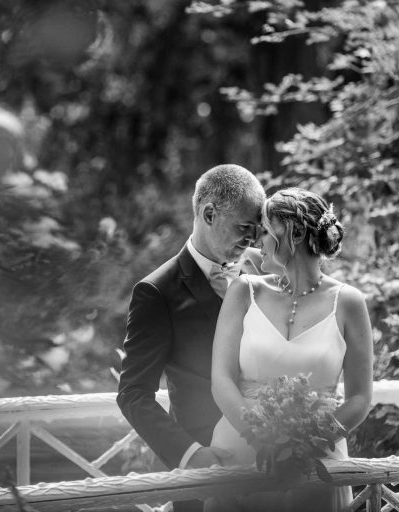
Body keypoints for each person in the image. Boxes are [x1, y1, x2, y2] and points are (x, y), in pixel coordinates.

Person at [209, 187, 373, 512]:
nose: (259, 243)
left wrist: (305, 447)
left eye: (267, 233)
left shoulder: (349, 302)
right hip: (240, 452)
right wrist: (260, 439)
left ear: (293, 235)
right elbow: (221, 380)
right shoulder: (244, 291)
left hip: (317, 462)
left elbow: (360, 398)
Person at [117, 164, 266, 512]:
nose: (252, 241)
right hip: (209, 468)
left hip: (272, 461)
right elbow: (133, 394)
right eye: (244, 228)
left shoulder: (264, 266)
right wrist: (191, 454)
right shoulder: (156, 291)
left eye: (258, 231)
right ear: (209, 214)